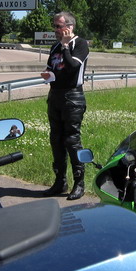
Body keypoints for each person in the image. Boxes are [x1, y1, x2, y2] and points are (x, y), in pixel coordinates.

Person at [40, 11, 89, 200]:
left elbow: (72, 67)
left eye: (58, 26)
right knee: (56, 139)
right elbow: (51, 67)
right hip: (55, 96)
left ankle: (79, 183)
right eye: (54, 26)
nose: (55, 29)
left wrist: (66, 46)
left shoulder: (80, 44)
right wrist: (47, 74)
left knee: (72, 140)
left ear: (69, 27)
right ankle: (60, 182)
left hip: (73, 97)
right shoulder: (54, 47)